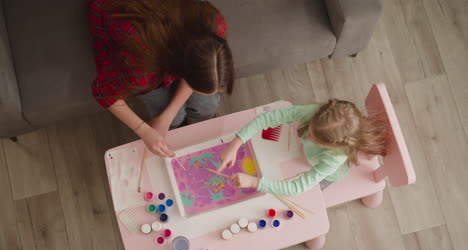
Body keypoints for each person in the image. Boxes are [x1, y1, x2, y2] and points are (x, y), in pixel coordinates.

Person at [88, 0, 234, 157]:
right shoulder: (141, 66)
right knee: (175, 120)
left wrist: (167, 116)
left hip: (166, 39)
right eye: (194, 85)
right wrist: (144, 131)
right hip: (121, 25)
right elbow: (103, 93)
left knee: (206, 106)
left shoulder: (213, 24)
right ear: (181, 72)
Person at [217, 99, 390, 196]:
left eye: (314, 138)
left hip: (326, 173)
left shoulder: (333, 159)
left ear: (332, 146)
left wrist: (254, 182)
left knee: (308, 198)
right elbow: (266, 118)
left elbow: (296, 188)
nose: (306, 136)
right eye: (310, 129)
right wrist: (236, 143)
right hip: (309, 156)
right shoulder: (315, 112)